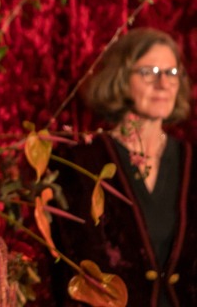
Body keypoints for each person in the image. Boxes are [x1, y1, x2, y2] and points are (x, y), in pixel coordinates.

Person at [51, 27, 197, 306]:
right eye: (149, 72)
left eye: (172, 73)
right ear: (121, 78)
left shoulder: (192, 159)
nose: (164, 84)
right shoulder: (80, 163)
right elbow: (73, 272)